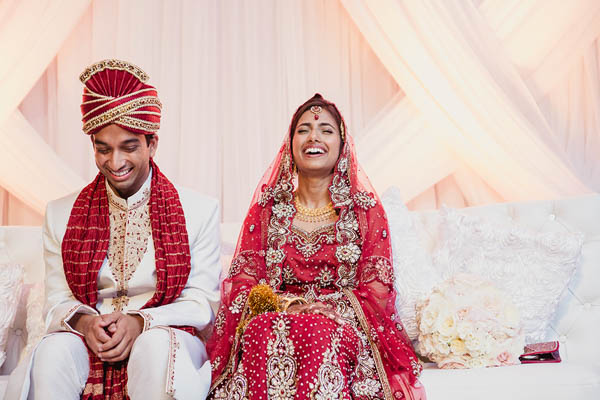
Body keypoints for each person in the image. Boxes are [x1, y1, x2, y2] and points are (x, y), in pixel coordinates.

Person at [6, 59, 220, 400]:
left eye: (129, 147)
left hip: (165, 335)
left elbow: (200, 302)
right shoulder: (60, 213)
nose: (115, 162)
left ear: (152, 144)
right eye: (103, 149)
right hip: (90, 336)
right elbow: (58, 299)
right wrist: (85, 323)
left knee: (153, 346)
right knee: (52, 353)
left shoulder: (199, 210)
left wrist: (140, 321)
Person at [207, 94, 426, 399]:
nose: (314, 136)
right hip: (277, 317)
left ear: (342, 144)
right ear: (291, 143)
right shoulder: (268, 209)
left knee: (317, 330)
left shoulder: (364, 210)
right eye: (304, 129)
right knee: (258, 330)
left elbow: (378, 292)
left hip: (338, 324)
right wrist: (287, 306)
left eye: (325, 129)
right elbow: (244, 281)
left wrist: (323, 310)